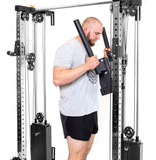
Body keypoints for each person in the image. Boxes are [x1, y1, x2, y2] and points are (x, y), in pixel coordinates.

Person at [53, 17, 108, 160]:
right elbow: (57, 78)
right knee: (76, 156)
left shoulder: (87, 48)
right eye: (96, 33)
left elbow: (90, 73)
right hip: (75, 112)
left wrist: (106, 60)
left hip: (90, 109)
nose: (98, 37)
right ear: (85, 30)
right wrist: (86, 66)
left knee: (84, 154)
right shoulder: (68, 48)